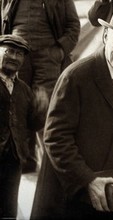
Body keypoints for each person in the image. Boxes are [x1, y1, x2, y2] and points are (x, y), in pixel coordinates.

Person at [31, 2, 113, 219]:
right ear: (106, 35)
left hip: (107, 201)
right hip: (70, 201)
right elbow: (55, 138)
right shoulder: (76, 76)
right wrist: (87, 179)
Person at [0, 0, 81, 173]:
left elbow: (74, 26)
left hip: (48, 57)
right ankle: (25, 164)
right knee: (17, 106)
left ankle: (51, 170)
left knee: (45, 108)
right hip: (17, 56)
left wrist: (59, 50)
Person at [0, 34, 48, 219]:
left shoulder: (24, 90)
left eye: (19, 54)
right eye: (9, 51)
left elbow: (32, 125)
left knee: (9, 208)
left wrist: (40, 110)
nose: (14, 57)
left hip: (14, 159)